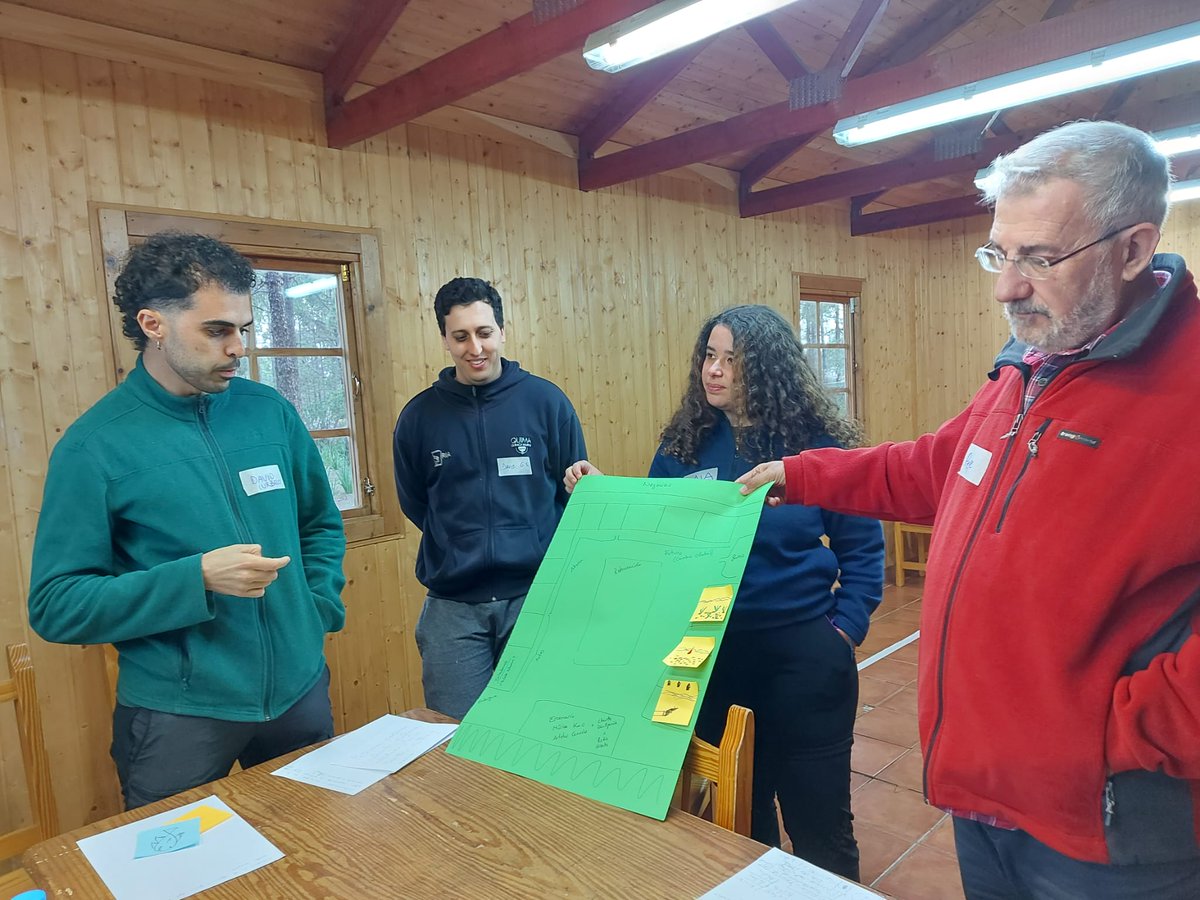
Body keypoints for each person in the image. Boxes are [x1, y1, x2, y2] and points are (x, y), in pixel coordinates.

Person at [738, 120, 1200, 898]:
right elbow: (939, 468)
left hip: (1107, 830)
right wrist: (803, 473)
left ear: (1132, 249)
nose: (1005, 287)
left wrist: (1105, 732)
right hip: (983, 796)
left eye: (1038, 259)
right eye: (998, 254)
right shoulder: (1031, 364)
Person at [28, 232, 347, 810]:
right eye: (217, 330)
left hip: (299, 691)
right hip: (179, 713)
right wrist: (194, 578)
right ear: (153, 324)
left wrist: (314, 609)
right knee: (179, 859)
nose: (238, 348)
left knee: (316, 843)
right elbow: (57, 604)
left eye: (244, 329)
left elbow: (319, 525)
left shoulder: (270, 412)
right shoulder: (95, 447)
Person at [565, 304, 883, 880]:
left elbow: (863, 549)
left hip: (804, 659)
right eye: (709, 356)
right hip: (713, 656)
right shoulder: (682, 446)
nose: (713, 370)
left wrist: (844, 630)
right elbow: (659, 539)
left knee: (820, 825)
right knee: (740, 822)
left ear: (767, 368)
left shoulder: (818, 446)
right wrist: (603, 494)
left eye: (731, 360)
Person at [393, 277, 587, 719]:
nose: (475, 348)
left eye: (484, 333)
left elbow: (575, 490)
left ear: (502, 331)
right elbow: (416, 503)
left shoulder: (546, 403)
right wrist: (459, 542)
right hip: (453, 609)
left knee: (540, 728)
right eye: (461, 336)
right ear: (445, 339)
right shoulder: (419, 417)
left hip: (537, 599)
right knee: (455, 739)